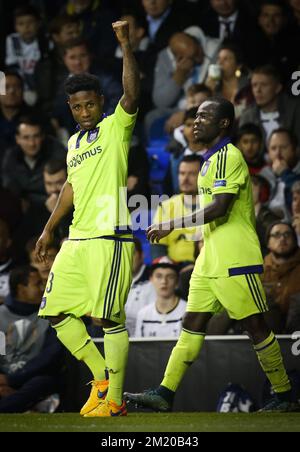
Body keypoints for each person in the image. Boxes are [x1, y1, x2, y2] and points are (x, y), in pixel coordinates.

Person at [125, 96, 296, 412]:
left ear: (224, 123)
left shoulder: (229, 157)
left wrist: (172, 223)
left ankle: (285, 396)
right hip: (210, 259)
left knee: (255, 326)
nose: (197, 121)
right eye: (196, 116)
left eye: (205, 116)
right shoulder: (208, 161)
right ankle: (165, 392)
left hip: (235, 259)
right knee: (192, 322)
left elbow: (220, 207)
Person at [35, 20, 139, 418]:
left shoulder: (116, 126)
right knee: (55, 311)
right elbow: (71, 188)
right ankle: (101, 378)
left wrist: (125, 45)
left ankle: (114, 402)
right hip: (76, 239)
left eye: (89, 104)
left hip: (109, 238)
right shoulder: (74, 142)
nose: (83, 112)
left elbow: (132, 92)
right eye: (76, 107)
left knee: (107, 317)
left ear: (101, 100)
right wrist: (48, 229)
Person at [0, 266, 63, 413]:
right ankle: (24, 405)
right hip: (3, 379)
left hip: (33, 379)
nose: (43, 288)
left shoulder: (50, 316)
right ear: (21, 289)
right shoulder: (1, 315)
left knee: (41, 383)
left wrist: (11, 380)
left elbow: (50, 357)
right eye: (37, 284)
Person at [134, 257, 186, 338]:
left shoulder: (187, 312)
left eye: (170, 277)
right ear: (151, 279)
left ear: (177, 281)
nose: (164, 281)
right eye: (159, 276)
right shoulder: (143, 314)